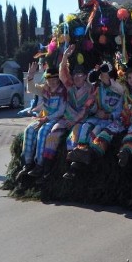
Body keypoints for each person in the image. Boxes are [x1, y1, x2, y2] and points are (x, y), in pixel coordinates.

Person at [70, 64, 132, 169]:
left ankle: (125, 154)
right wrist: (104, 75)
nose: (131, 80)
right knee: (107, 131)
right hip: (124, 120)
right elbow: (113, 85)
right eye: (129, 78)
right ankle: (92, 153)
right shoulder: (125, 90)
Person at [31, 45, 94, 179]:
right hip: (66, 118)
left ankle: (72, 168)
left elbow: (86, 108)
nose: (77, 77)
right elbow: (62, 73)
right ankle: (46, 169)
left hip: (80, 120)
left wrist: (74, 120)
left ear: (85, 76)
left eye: (80, 74)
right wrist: (65, 57)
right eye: (75, 74)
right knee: (53, 133)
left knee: (74, 135)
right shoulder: (69, 86)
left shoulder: (90, 90)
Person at [64, 62, 124, 179]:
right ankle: (77, 159)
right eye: (101, 74)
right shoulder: (98, 88)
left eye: (105, 74)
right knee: (85, 126)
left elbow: (120, 110)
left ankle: (84, 162)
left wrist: (107, 115)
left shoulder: (119, 89)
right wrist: (95, 110)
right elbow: (92, 104)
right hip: (97, 117)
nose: (102, 76)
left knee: (96, 132)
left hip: (110, 121)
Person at [19, 61, 66, 177]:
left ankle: (40, 165)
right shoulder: (45, 89)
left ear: (58, 79)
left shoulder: (63, 91)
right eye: (49, 79)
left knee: (43, 131)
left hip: (57, 119)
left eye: (54, 79)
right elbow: (31, 89)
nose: (52, 82)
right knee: (29, 130)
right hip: (45, 118)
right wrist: (30, 77)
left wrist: (46, 119)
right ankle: (27, 163)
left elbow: (61, 111)